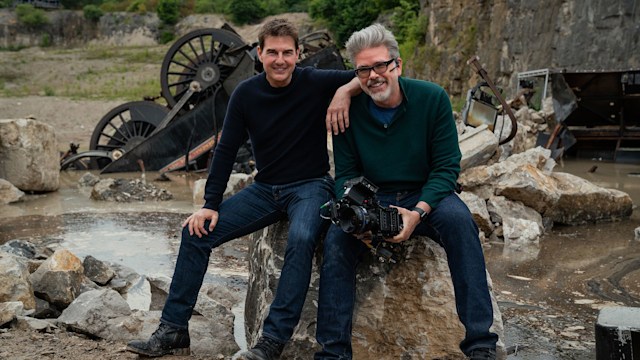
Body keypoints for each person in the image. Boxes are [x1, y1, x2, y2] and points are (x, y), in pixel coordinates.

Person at [126, 18, 359, 359]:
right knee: (196, 233)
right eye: (273, 52)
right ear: (260, 54)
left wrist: (343, 91)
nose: (280, 60)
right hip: (265, 189)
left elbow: (371, 75)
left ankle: (270, 343)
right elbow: (225, 150)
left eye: (288, 53)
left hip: (310, 186)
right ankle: (174, 329)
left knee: (302, 238)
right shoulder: (246, 94)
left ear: (297, 55)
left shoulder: (316, 81)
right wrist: (209, 204)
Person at [315, 24, 499, 360]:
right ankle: (332, 352)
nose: (374, 76)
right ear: (356, 74)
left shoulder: (433, 99)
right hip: (373, 197)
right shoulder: (346, 111)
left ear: (397, 65)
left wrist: (417, 214)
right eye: (364, 69)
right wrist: (362, 218)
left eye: (381, 65)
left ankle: (481, 345)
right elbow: (346, 175)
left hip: (425, 193)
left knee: (462, 226)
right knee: (337, 241)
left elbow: (446, 168)